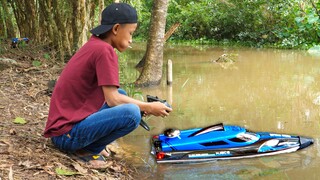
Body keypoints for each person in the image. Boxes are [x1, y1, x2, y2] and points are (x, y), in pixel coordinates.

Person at [43, 3, 172, 169]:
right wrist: (148, 106)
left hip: (62, 132)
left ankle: (90, 145)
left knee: (124, 94)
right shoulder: (105, 51)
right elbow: (113, 100)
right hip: (66, 136)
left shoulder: (95, 45)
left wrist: (143, 106)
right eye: (131, 33)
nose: (131, 39)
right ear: (116, 29)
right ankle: (87, 150)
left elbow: (114, 95)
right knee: (132, 113)